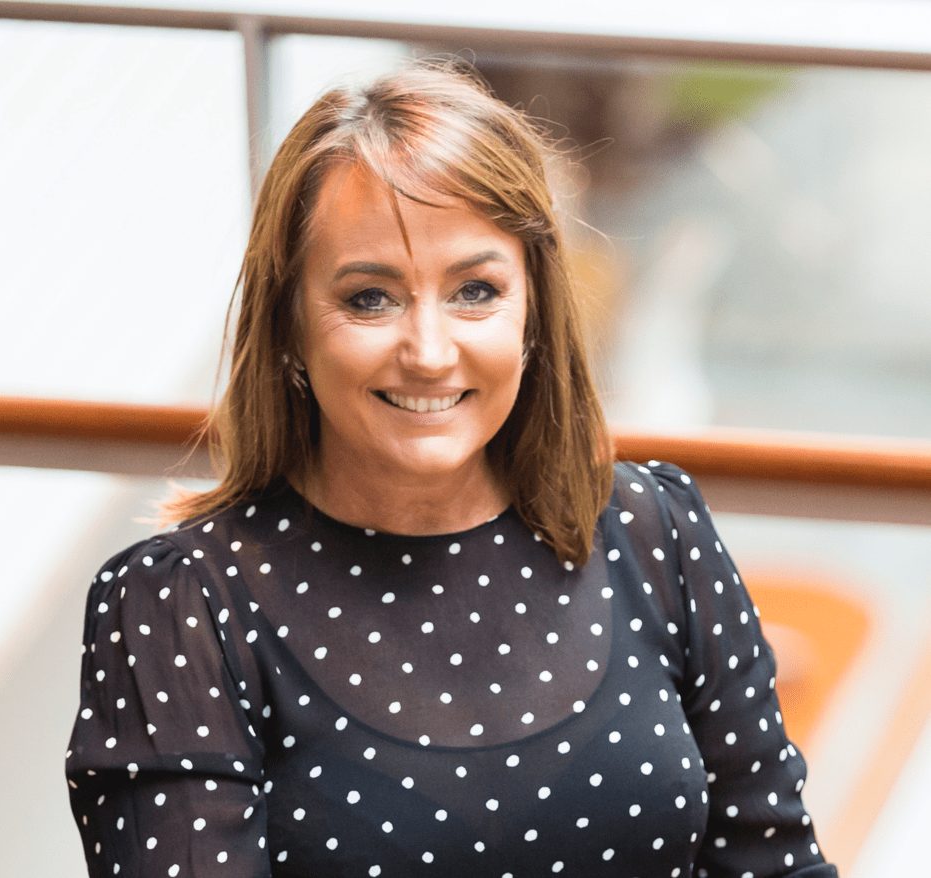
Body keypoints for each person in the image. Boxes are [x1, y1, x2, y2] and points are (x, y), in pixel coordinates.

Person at [66, 62, 838, 878]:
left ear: (533, 310)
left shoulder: (657, 532)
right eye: (370, 299)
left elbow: (775, 862)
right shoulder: (182, 604)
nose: (430, 353)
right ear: (289, 325)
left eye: (475, 292)